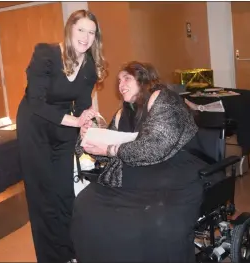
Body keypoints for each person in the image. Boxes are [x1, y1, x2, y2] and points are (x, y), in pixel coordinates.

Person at [71, 61, 206, 263]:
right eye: (118, 81)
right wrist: (87, 138)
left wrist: (110, 149)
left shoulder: (162, 98)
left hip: (176, 168)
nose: (120, 84)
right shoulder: (122, 113)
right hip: (137, 172)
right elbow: (108, 151)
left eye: (126, 78)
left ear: (143, 78)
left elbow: (157, 145)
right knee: (86, 204)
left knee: (148, 220)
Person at [16, 10, 106, 263]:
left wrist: (86, 120)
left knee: (64, 190)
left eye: (91, 32)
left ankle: (70, 252)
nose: (86, 37)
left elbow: (83, 103)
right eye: (81, 30)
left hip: (64, 125)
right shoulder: (46, 54)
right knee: (42, 193)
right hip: (35, 125)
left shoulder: (89, 65)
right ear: (70, 30)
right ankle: (51, 257)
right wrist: (76, 121)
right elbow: (36, 102)